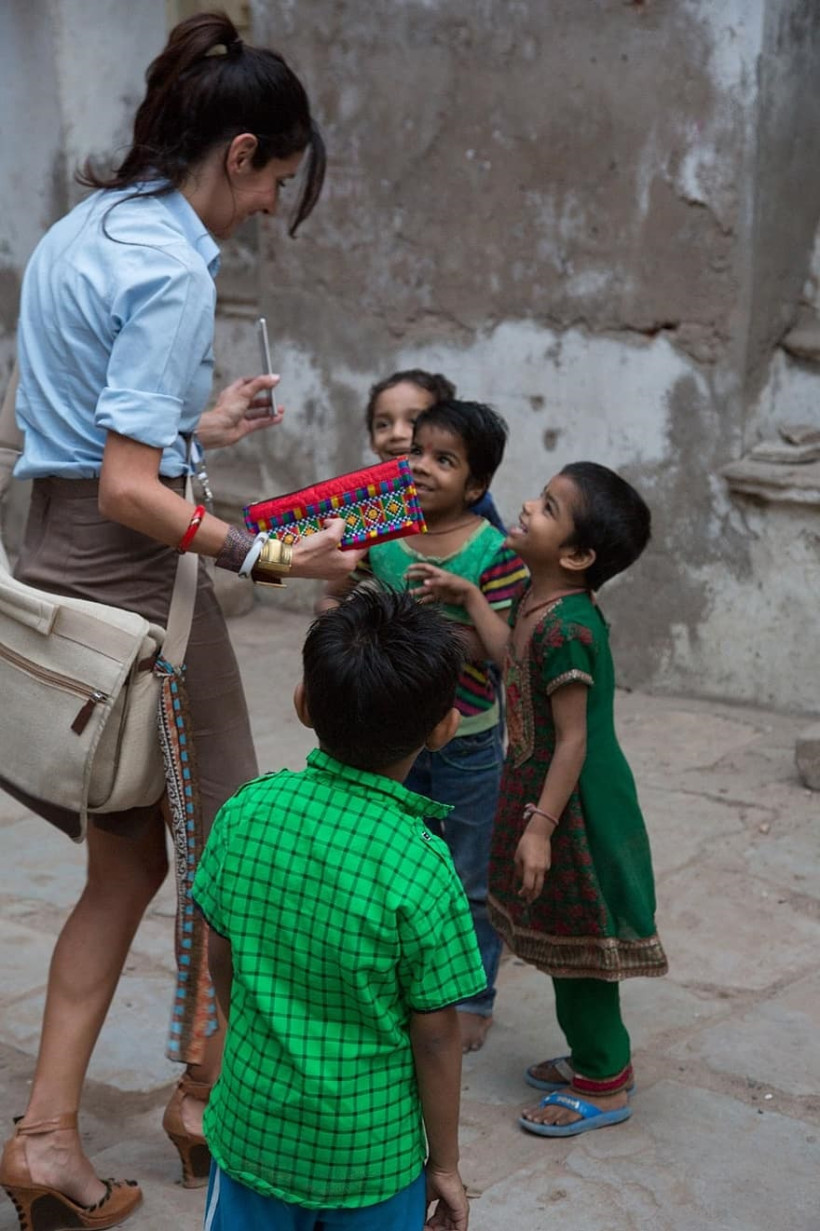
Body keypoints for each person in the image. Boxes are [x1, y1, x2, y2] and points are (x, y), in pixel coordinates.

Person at [0, 12, 363, 1229]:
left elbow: (82, 436)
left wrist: (189, 433)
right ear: (242, 149)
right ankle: (202, 1097)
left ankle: (55, 1133)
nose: (267, 209)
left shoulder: (83, 225)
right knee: (230, 840)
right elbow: (127, 489)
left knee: (136, 858)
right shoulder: (172, 264)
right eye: (274, 184)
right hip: (130, 571)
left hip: (43, 542)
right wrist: (265, 553)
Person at [192, 588, 485, 1230]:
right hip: (372, 1160)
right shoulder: (422, 866)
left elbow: (220, 955)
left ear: (303, 704)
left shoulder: (246, 811)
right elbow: (437, 1036)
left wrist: (256, 1036)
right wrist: (445, 1165)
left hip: (252, 1135)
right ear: (444, 728)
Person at [333, 400, 526, 1053]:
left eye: (443, 460)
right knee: (386, 861)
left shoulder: (494, 552)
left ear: (476, 485)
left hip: (468, 740)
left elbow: (504, 654)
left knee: (469, 875)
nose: (420, 466)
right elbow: (345, 598)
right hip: (391, 740)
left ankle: (473, 996)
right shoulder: (383, 530)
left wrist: (460, 600)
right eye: (417, 451)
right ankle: (389, 976)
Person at [488, 461, 668, 1137]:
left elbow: (572, 742)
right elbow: (510, 656)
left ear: (577, 555)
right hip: (545, 795)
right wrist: (467, 597)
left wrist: (539, 826)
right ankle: (592, 1057)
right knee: (563, 941)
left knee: (583, 944)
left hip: (576, 806)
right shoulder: (534, 600)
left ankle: (606, 1080)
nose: (529, 505)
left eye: (550, 506)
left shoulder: (571, 629)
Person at [365, 370, 506, 532]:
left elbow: (502, 552)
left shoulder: (473, 503)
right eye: (383, 425)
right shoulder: (366, 499)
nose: (396, 433)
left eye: (413, 421)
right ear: (371, 441)